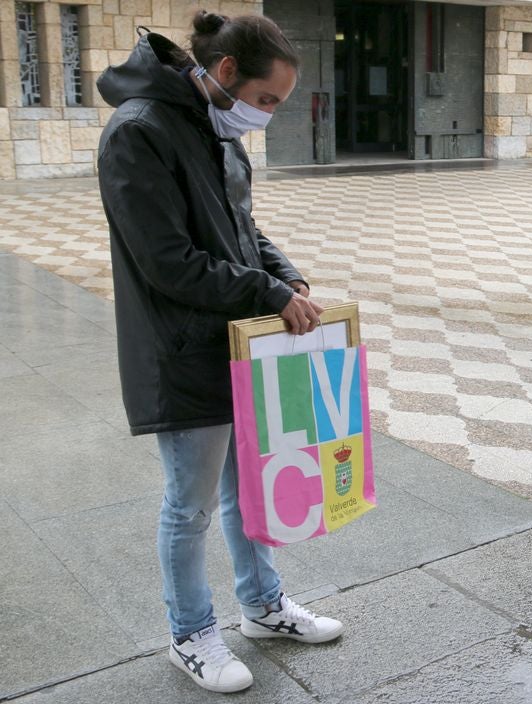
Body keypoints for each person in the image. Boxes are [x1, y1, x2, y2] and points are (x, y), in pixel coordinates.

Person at [97, 11, 344, 693]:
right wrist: (267, 291)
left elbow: (243, 225)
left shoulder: (217, 127)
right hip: (182, 349)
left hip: (241, 344)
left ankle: (263, 608)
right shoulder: (140, 132)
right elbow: (168, 262)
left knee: (251, 487)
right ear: (227, 72)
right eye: (266, 101)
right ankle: (191, 633)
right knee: (191, 505)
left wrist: (284, 272)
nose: (265, 117)